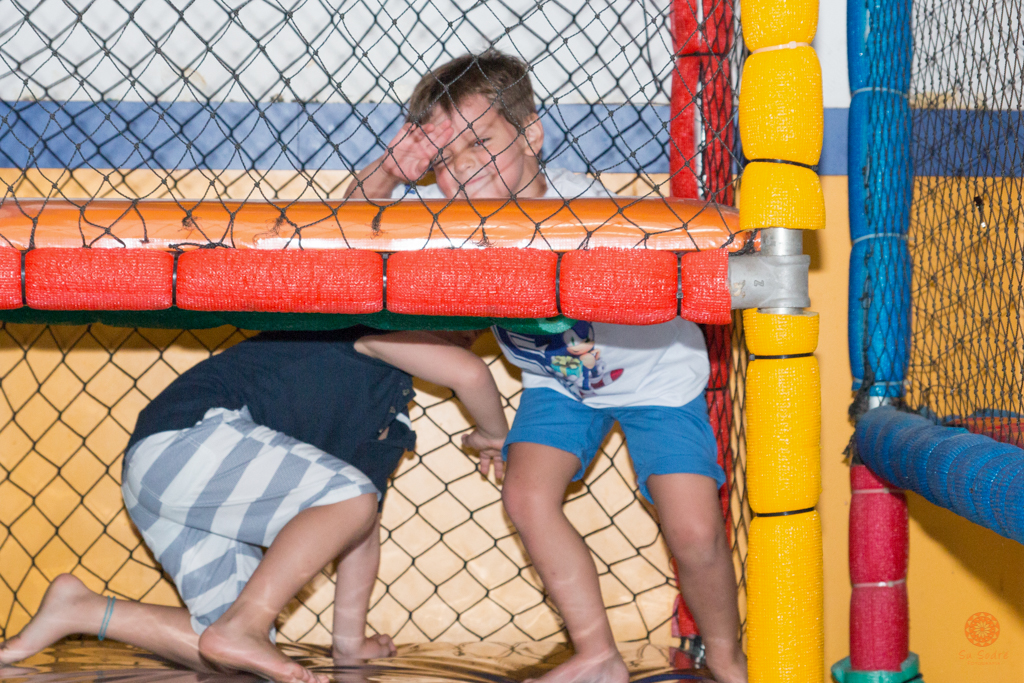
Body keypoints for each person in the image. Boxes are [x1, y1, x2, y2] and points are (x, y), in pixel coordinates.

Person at [348, 50, 747, 683]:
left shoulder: (582, 206)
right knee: (526, 496)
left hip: (658, 378)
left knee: (695, 529)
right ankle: (598, 654)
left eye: (482, 142)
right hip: (558, 385)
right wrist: (389, 172)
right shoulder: (452, 226)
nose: (465, 166)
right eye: (445, 158)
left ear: (531, 135)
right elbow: (347, 234)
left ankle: (725, 653)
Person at [0, 327, 507, 683]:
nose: (468, 333)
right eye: (460, 318)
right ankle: (243, 626)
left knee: (234, 657)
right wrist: (493, 435)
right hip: (188, 441)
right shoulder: (366, 328)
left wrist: (348, 647)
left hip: (180, 488)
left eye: (475, 328)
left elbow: (360, 528)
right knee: (347, 501)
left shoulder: (386, 421)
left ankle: (83, 610)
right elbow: (470, 375)